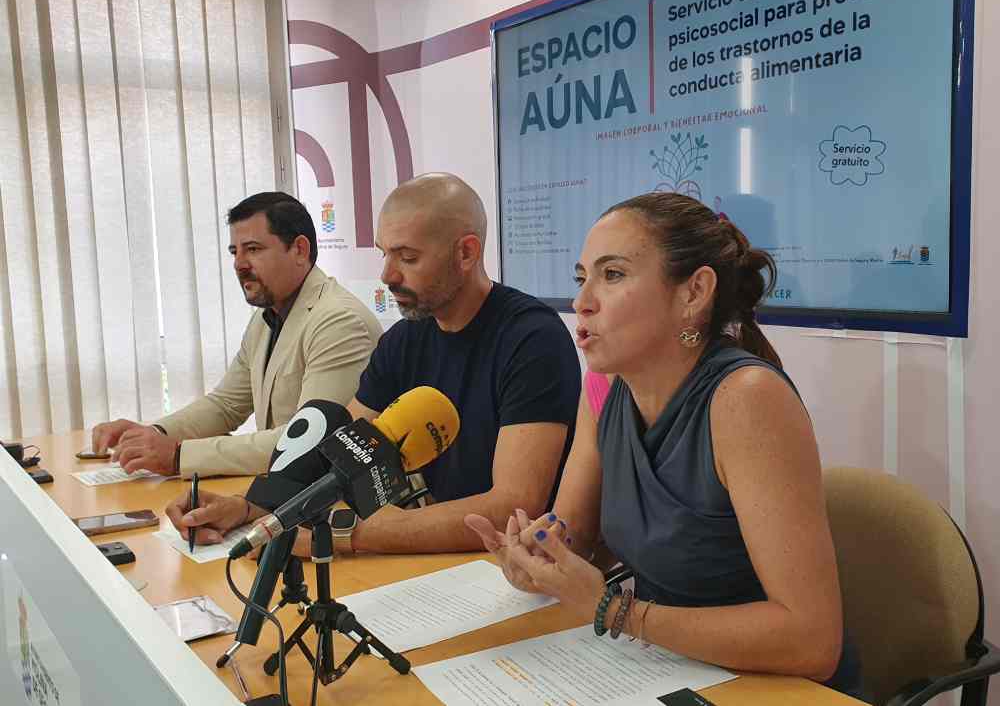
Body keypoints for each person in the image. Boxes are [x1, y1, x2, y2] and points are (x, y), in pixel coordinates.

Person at [465, 192, 863, 697]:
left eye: (612, 275)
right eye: (581, 277)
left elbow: (812, 641)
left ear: (693, 293)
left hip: (770, 684)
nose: (582, 301)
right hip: (666, 666)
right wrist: (538, 560)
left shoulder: (747, 400)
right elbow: (577, 541)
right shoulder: (604, 388)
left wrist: (617, 610)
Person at [167, 173, 581, 556]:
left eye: (407, 257)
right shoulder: (404, 339)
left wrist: (347, 536)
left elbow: (513, 504)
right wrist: (248, 508)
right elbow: (339, 453)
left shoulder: (531, 339)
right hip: (433, 560)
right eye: (385, 254)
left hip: (507, 563)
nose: (387, 274)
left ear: (466, 253)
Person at [91, 192, 382, 478]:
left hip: (336, 506)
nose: (239, 264)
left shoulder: (339, 322)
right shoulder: (266, 317)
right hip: (287, 490)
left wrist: (179, 456)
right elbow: (226, 405)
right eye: (235, 251)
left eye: (253, 249)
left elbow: (308, 442)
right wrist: (152, 434)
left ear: (300, 250)